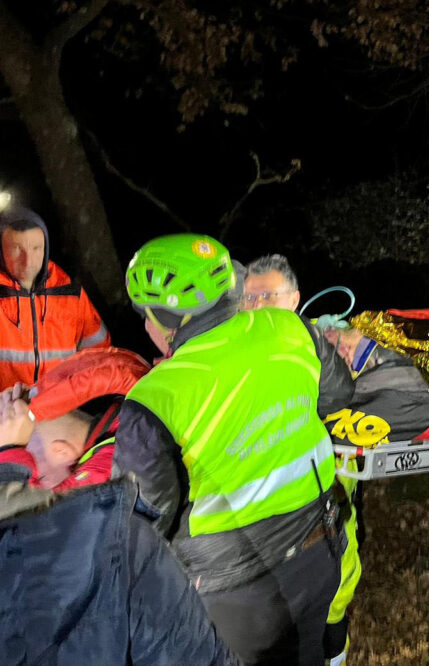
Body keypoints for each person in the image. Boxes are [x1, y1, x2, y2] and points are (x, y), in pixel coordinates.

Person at [114, 234, 355, 665]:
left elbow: (142, 528)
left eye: (143, 315)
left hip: (238, 599)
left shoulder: (153, 400)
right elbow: (338, 393)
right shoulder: (290, 327)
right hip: (321, 553)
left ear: (164, 319)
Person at [0, 398, 237, 665]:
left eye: (36, 477)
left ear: (63, 452)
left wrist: (10, 467)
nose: (37, 484)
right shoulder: (115, 522)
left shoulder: (103, 515)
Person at [242, 251, 359, 666]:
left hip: (318, 493)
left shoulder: (308, 340)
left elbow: (339, 395)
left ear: (293, 300)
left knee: (338, 580)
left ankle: (336, 653)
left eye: (266, 296)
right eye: (249, 298)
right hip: (260, 509)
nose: (256, 306)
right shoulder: (233, 346)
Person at [0, 347, 150, 491]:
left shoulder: (113, 466)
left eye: (41, 478)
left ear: (61, 451)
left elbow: (36, 510)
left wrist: (11, 452)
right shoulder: (128, 428)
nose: (41, 485)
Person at [0, 206, 110, 389]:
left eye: (36, 248)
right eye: (17, 249)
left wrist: (78, 393)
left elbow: (100, 354)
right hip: (6, 414)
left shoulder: (70, 295)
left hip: (61, 411)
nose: (28, 261)